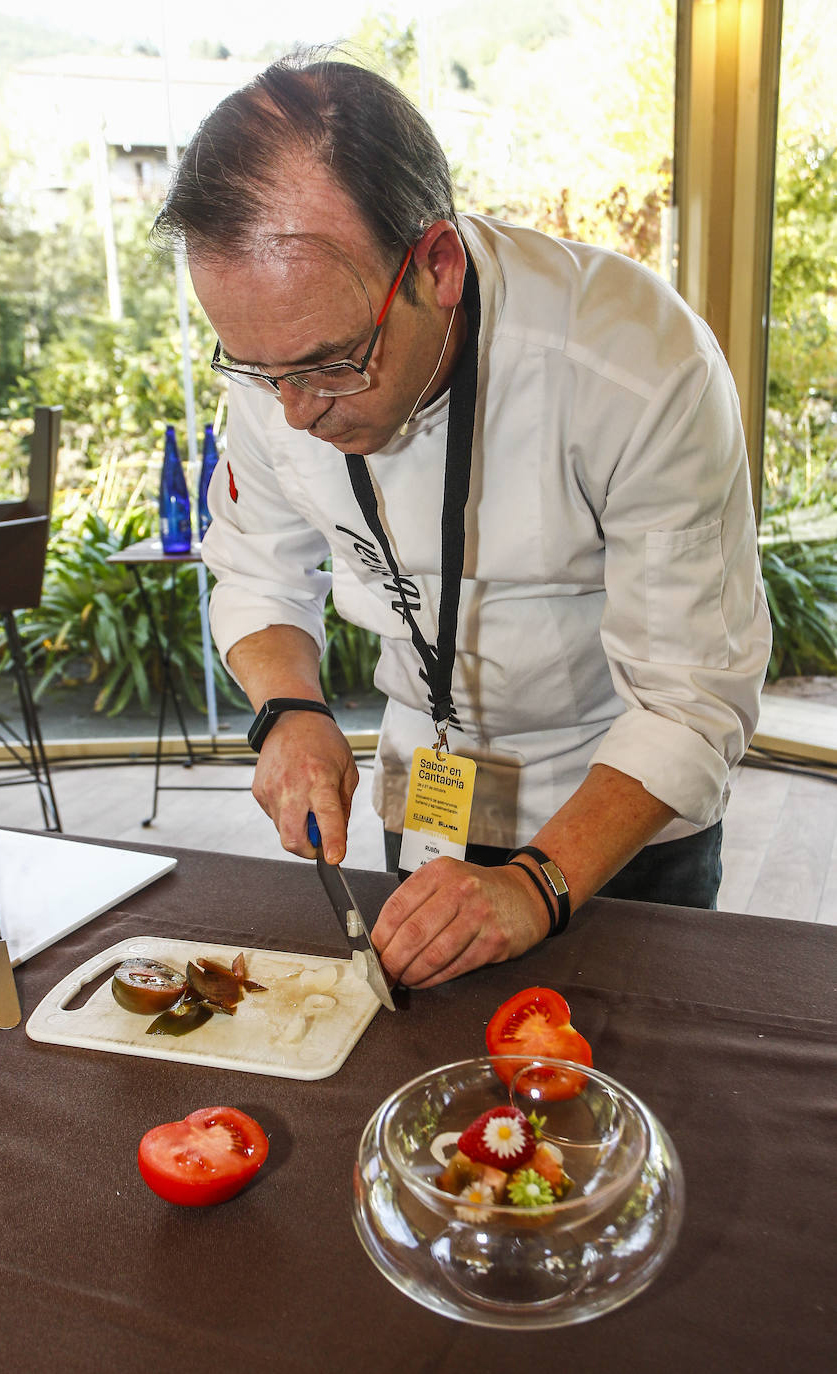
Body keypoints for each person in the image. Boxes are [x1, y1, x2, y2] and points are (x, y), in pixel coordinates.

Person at [152, 55, 771, 990]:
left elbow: (691, 697)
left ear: (436, 264)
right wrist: (290, 711)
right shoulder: (283, 361)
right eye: (258, 372)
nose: (294, 412)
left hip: (617, 809)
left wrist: (534, 886)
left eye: (332, 365)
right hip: (430, 793)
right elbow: (258, 573)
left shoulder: (636, 363)